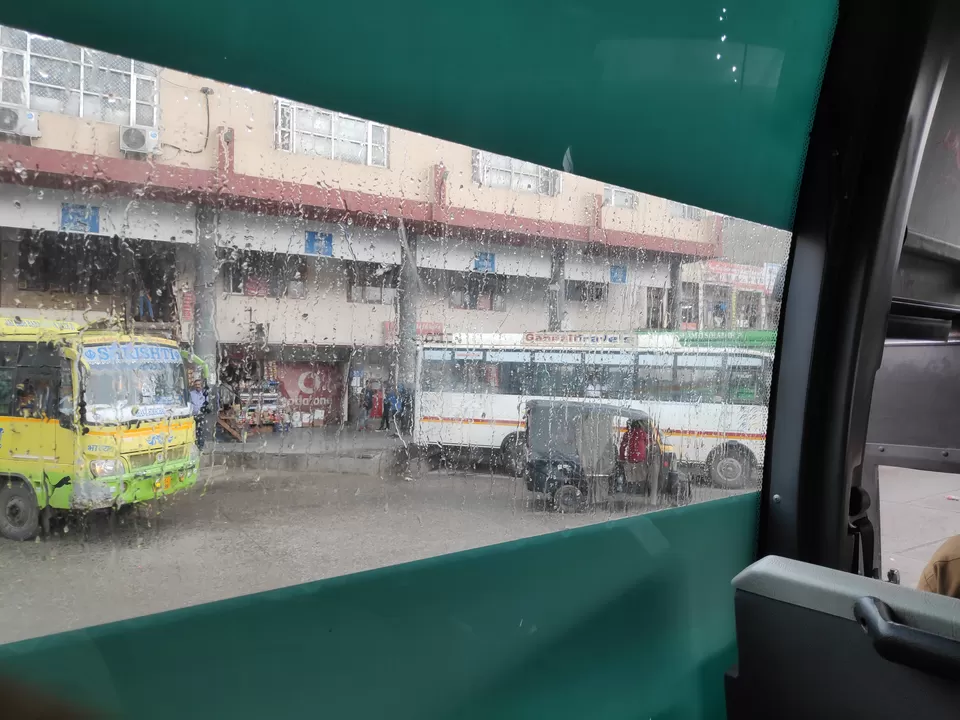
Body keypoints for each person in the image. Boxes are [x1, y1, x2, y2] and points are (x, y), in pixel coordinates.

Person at [618, 419, 649, 491]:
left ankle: (630, 489)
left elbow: (622, 447)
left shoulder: (627, 434)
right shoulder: (643, 433)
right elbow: (647, 444)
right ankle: (640, 490)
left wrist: (622, 458)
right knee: (640, 477)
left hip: (631, 458)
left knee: (631, 477)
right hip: (641, 459)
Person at [190, 379, 207, 449]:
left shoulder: (204, 394)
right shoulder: (191, 394)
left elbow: (206, 403)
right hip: (193, 415)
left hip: (201, 415)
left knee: (201, 430)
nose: (197, 386)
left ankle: (200, 446)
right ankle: (194, 445)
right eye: (196, 385)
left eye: (199, 385)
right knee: (193, 430)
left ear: (201, 385)